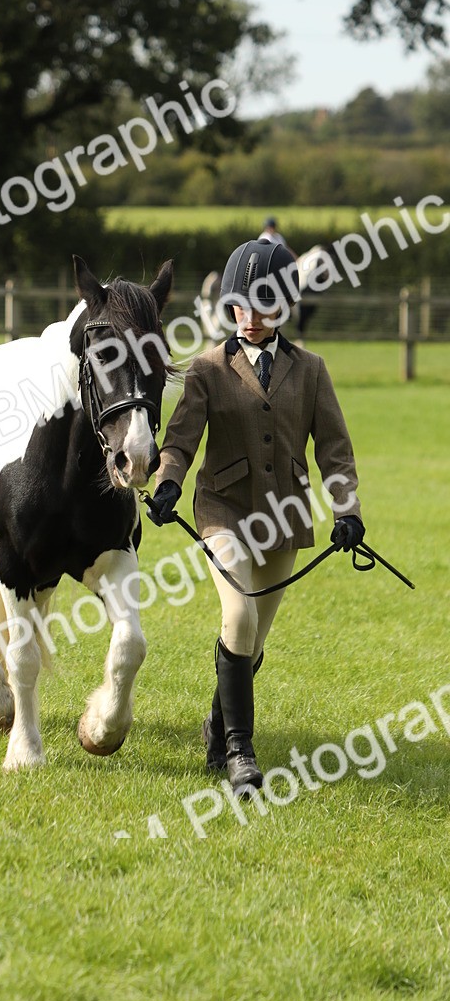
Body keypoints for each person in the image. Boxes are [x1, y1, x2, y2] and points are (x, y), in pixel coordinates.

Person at [147, 238, 364, 797]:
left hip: (284, 521)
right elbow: (181, 440)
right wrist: (169, 480)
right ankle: (241, 753)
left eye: (263, 304)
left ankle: (218, 726)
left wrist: (348, 512)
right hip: (222, 512)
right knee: (239, 616)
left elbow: (335, 451)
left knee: (252, 640)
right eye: (239, 304)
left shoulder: (312, 371)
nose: (249, 316)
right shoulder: (207, 369)